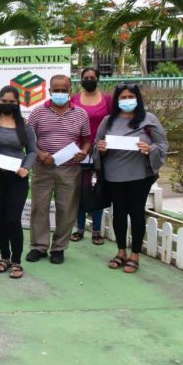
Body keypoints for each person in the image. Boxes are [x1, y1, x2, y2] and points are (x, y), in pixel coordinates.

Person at [96, 83, 168, 274]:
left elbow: (162, 144)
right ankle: (121, 252)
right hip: (114, 175)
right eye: (122, 97)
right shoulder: (108, 121)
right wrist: (100, 149)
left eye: (130, 97)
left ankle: (135, 255)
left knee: (136, 213)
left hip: (139, 176)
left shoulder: (149, 119)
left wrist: (149, 149)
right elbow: (97, 145)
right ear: (117, 100)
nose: (127, 101)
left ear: (138, 99)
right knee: (118, 213)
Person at [27, 75, 91, 265]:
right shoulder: (37, 113)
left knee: (66, 209)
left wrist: (84, 151)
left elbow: (87, 139)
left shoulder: (81, 114)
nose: (60, 93)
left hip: (70, 169)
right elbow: (29, 141)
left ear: (70, 91)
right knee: (40, 208)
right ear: (49, 91)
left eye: (64, 90)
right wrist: (39, 154)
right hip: (43, 168)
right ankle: (38, 246)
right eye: (56, 89)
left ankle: (58, 249)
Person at [0, 86, 37, 279]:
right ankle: (4, 257)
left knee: (13, 220)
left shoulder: (25, 125)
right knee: (0, 220)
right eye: (4, 101)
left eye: (12, 102)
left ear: (18, 103)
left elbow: (32, 150)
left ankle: (16, 261)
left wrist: (26, 167)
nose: (8, 105)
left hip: (17, 178)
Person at [70, 67, 112, 245]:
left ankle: (96, 231)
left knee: (97, 190)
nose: (89, 80)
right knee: (78, 191)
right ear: (81, 80)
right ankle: (79, 229)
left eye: (92, 77)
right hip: (78, 152)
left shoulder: (108, 100)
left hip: (101, 151)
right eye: (85, 77)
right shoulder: (74, 99)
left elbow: (113, 122)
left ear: (98, 79)